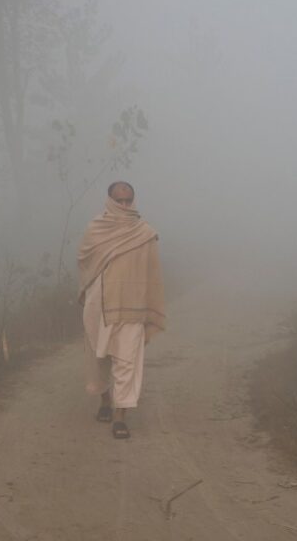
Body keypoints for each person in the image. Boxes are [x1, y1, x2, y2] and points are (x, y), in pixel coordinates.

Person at [77, 181, 165, 439]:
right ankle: (105, 401)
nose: (124, 206)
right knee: (98, 356)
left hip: (132, 308)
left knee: (127, 360)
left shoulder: (145, 233)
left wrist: (149, 307)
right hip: (99, 305)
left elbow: (153, 273)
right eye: (119, 201)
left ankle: (120, 416)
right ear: (109, 201)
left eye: (128, 201)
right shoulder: (96, 229)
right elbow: (84, 262)